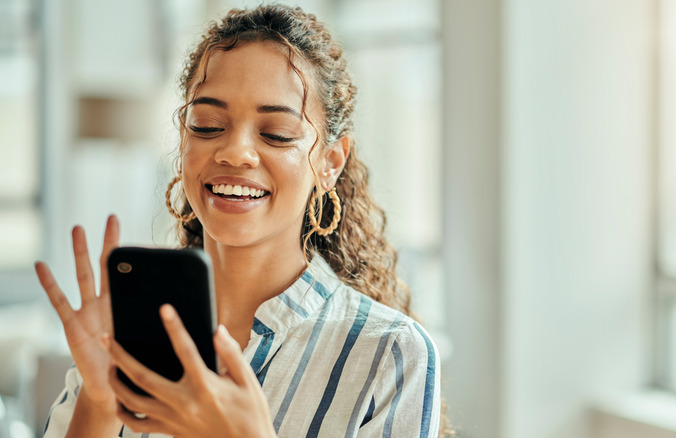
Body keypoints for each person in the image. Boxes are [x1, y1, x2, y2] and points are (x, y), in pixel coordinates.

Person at [35, 4, 444, 437]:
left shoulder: (389, 354)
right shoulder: (127, 329)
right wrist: (98, 405)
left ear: (330, 163)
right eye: (208, 125)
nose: (235, 153)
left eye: (276, 134)